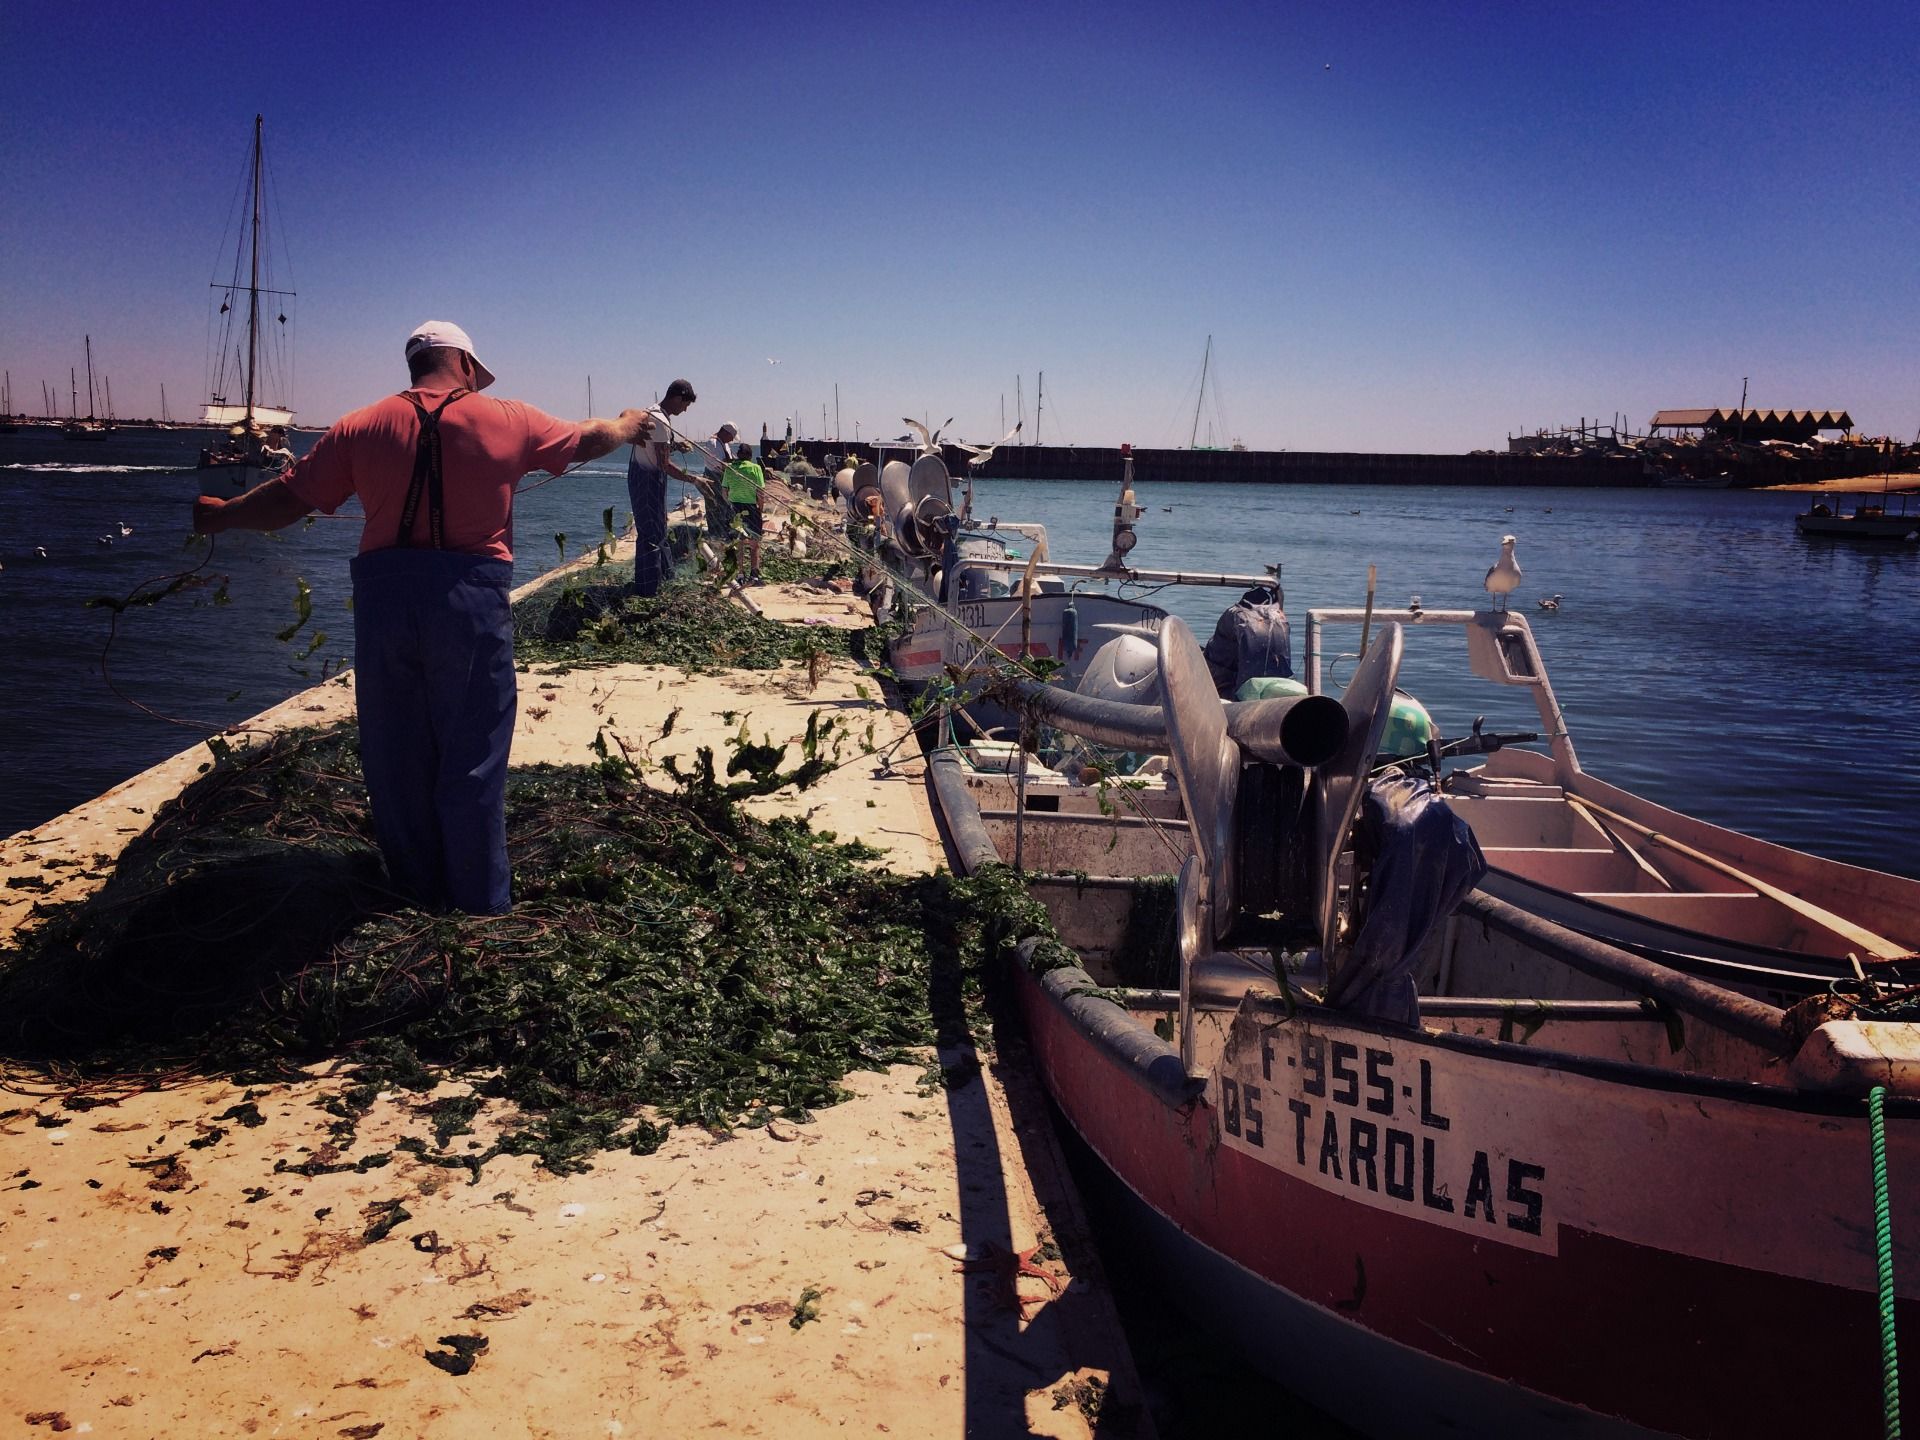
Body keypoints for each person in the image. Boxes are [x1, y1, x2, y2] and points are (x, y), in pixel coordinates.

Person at [191, 320, 654, 914]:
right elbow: (587, 439)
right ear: (465, 364)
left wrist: (222, 514)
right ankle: (479, 905)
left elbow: (286, 499)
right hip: (469, 600)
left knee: (394, 753)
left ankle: (413, 891)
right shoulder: (508, 418)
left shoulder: (358, 426)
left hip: (384, 602)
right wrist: (626, 423)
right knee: (473, 753)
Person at [629, 378, 698, 596]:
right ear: (677, 398)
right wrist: (695, 480)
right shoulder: (659, 420)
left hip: (645, 477)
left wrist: (676, 446)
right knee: (651, 536)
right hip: (647, 481)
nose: (685, 410)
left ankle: (664, 579)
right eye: (685, 404)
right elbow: (664, 464)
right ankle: (649, 590)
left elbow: (655, 446)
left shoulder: (654, 413)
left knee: (658, 531)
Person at [721, 440, 769, 583]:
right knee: (755, 543)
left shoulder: (730, 468)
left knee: (739, 543)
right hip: (751, 508)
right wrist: (760, 509)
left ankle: (740, 575)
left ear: (737, 455)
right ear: (750, 456)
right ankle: (754, 575)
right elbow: (760, 492)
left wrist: (729, 504)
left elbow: (724, 491)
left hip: (735, 508)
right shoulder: (755, 468)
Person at [699, 421, 739, 538]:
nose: (732, 440)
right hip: (714, 477)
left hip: (723, 478)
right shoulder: (713, 443)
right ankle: (715, 534)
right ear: (725, 433)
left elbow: (730, 458)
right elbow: (722, 464)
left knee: (726, 506)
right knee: (714, 506)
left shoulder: (724, 443)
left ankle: (725, 531)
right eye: (731, 437)